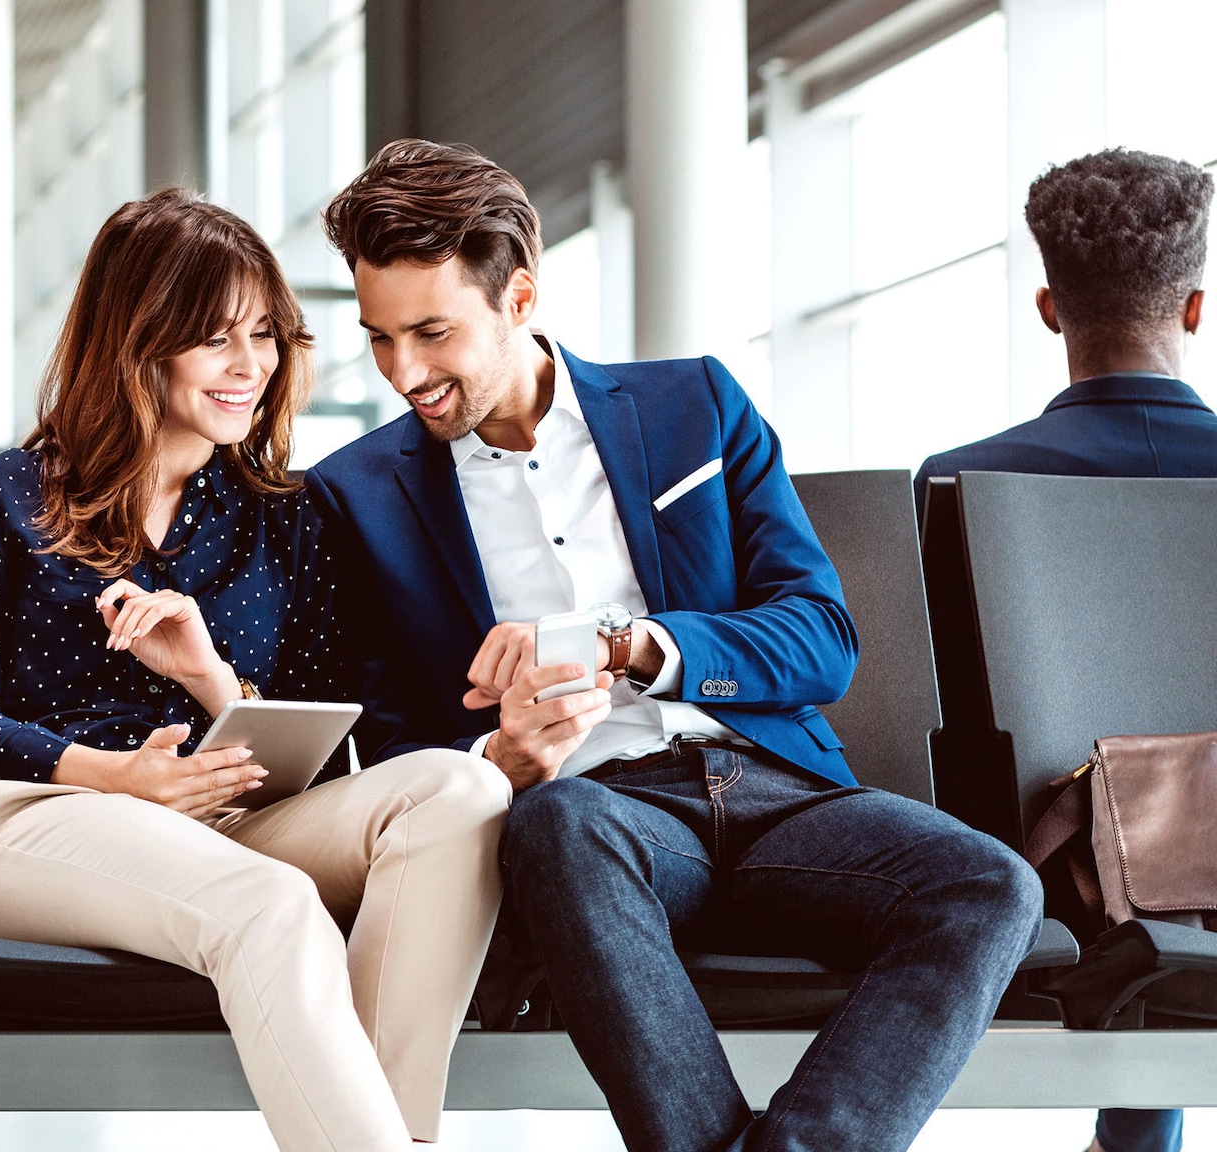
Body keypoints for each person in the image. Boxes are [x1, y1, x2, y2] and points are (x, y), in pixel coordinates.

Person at [307, 140, 1044, 1152]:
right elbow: (386, 750)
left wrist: (634, 646)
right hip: (595, 825)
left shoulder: (692, 404)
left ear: (519, 297)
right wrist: (495, 760)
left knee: (990, 886)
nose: (404, 373)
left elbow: (822, 638)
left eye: (431, 333)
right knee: (560, 823)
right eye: (379, 339)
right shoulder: (354, 495)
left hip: (779, 794)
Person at [0, 188, 510, 1151]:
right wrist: (120, 777)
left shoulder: (287, 515)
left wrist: (212, 680)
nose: (249, 365)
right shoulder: (11, 494)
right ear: (137, 341)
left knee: (462, 789)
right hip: (30, 827)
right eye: (215, 338)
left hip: (232, 827)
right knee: (273, 904)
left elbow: (323, 750)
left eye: (264, 335)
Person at [917, 147, 1216, 1152]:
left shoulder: (957, 486)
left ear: (1049, 309)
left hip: (1048, 888)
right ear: (1195, 309)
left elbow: (950, 739)